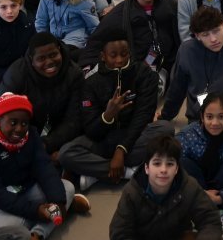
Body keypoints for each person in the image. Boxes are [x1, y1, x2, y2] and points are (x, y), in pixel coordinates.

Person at [0, 93, 90, 237]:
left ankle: (38, 234)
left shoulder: (31, 135)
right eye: (13, 123)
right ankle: (53, 214)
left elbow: (44, 167)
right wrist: (36, 211)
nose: (19, 129)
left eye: (24, 123)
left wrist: (59, 202)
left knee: (66, 189)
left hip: (25, 189)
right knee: (12, 227)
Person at [59, 25, 163, 191]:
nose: (119, 60)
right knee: (66, 153)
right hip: (104, 139)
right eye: (113, 55)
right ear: (103, 56)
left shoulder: (145, 74)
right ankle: (128, 172)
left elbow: (143, 117)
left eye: (124, 54)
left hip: (134, 135)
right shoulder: (90, 82)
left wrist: (121, 150)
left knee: (165, 130)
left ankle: (96, 172)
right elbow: (91, 130)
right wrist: (108, 115)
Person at [109, 134, 223, 240]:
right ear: (147, 168)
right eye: (157, 163)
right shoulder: (132, 192)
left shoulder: (189, 187)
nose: (163, 170)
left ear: (177, 168)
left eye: (170, 164)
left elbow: (210, 220)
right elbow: (120, 233)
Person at [161, 6, 223, 126]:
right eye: (205, 35)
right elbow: (177, 88)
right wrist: (165, 116)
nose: (213, 39)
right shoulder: (186, 50)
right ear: (197, 36)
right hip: (198, 119)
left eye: (216, 31)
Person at [80, 0, 180, 82]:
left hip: (167, 62)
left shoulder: (171, 7)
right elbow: (98, 39)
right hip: (135, 64)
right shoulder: (121, 13)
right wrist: (87, 65)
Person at [0, 33, 84, 159]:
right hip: (23, 132)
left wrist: (46, 144)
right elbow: (2, 111)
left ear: (59, 50)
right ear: (32, 59)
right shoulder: (17, 73)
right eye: (41, 58)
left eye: (53, 55)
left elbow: (74, 120)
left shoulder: (74, 74)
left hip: (58, 134)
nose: (49, 62)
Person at [176, 93, 223, 235]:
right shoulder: (188, 135)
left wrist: (222, 197)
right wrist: (201, 193)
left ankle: (220, 212)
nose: (215, 123)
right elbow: (173, 167)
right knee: (182, 163)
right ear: (202, 117)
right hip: (198, 186)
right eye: (209, 117)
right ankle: (200, 209)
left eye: (221, 117)